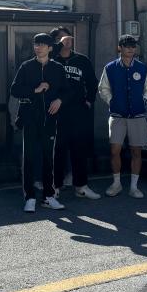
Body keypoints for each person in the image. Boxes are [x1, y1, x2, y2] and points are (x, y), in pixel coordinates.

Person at [10, 33, 71, 213]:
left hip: (50, 119)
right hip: (30, 117)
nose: (38, 47)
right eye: (36, 44)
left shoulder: (57, 68)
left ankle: (48, 196)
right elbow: (15, 89)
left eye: (42, 44)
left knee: (48, 158)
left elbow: (67, 91)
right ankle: (29, 197)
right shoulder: (26, 66)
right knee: (28, 158)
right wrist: (35, 90)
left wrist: (59, 100)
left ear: (50, 48)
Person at [50, 27, 100, 200]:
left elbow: (92, 83)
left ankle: (81, 186)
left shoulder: (81, 60)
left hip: (78, 111)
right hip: (57, 112)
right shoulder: (51, 60)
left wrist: (89, 100)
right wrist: (57, 47)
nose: (67, 40)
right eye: (62, 38)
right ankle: (55, 186)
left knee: (79, 149)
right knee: (57, 150)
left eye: (69, 37)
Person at [97, 34, 147, 199]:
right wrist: (111, 101)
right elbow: (103, 88)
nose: (130, 49)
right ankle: (116, 183)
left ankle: (134, 186)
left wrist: (144, 101)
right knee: (115, 150)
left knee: (136, 151)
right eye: (127, 46)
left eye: (133, 46)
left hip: (138, 115)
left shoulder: (142, 68)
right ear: (119, 48)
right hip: (117, 115)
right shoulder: (110, 68)